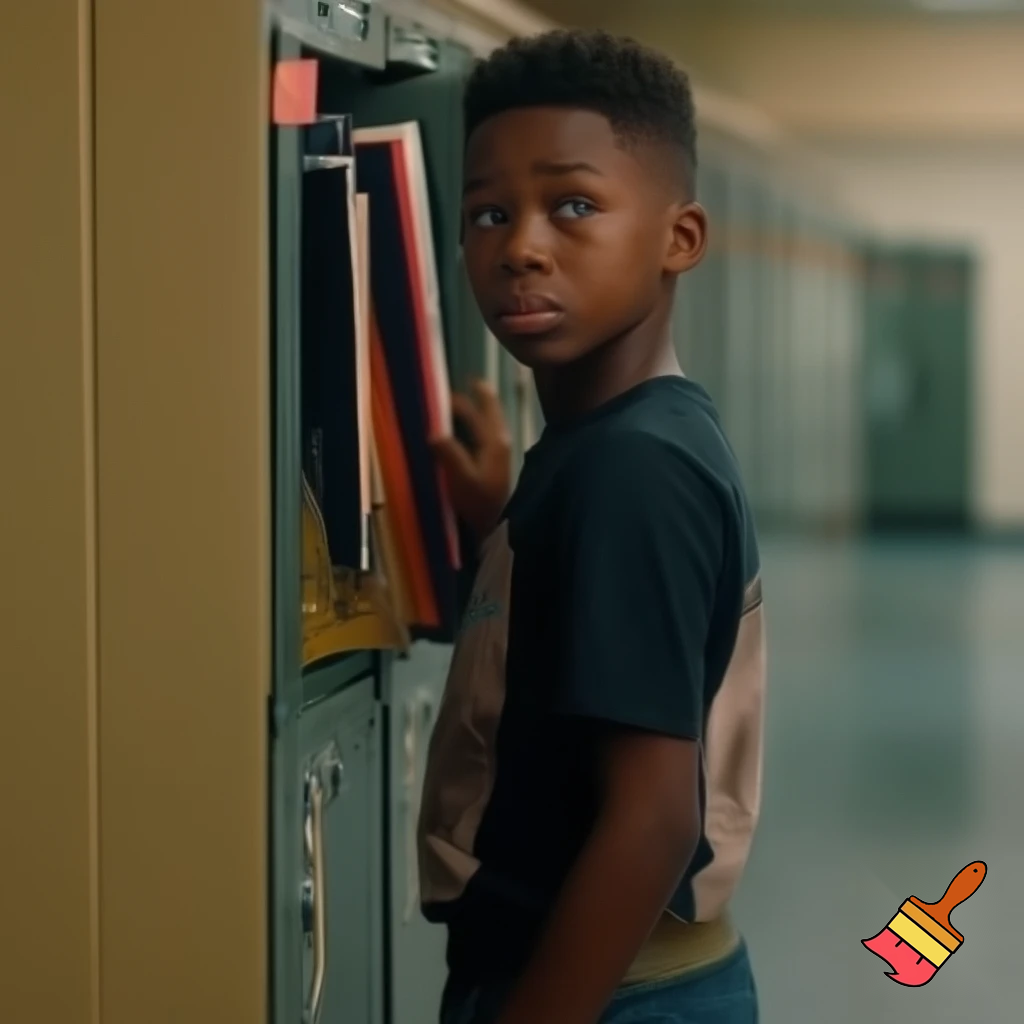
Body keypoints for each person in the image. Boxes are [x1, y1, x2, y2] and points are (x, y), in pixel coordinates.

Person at [419, 29, 766, 1024]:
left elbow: (651, 818)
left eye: (573, 205)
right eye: (488, 212)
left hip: (609, 994)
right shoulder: (623, 440)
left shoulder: (628, 470)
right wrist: (502, 521)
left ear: (679, 238)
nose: (520, 245)